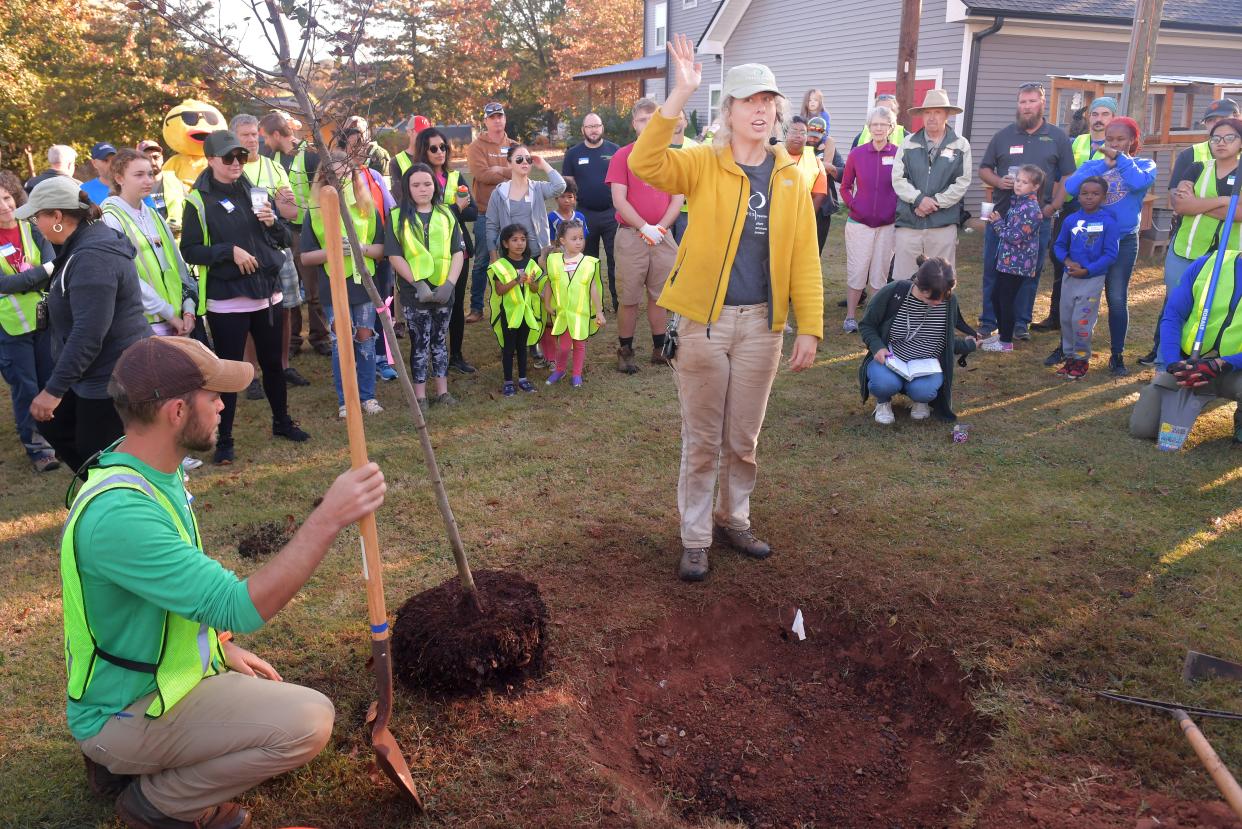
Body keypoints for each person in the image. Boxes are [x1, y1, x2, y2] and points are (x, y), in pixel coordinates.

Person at [67, 335, 386, 829]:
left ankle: (126, 761)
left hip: (143, 689)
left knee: (270, 705)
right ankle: (160, 802)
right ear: (176, 411)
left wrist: (218, 649)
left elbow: (172, 592)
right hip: (124, 710)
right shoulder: (122, 513)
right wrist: (328, 517)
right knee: (307, 722)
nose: (223, 404)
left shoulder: (143, 467)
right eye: (212, 395)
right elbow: (237, 605)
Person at [630, 36, 822, 582]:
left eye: (768, 101)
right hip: (704, 325)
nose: (760, 110)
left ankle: (734, 518)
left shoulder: (790, 174)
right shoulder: (701, 164)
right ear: (729, 111)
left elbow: (805, 256)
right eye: (748, 101)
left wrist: (808, 327)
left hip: (763, 325)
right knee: (702, 440)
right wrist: (679, 95)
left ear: (777, 110)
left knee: (744, 439)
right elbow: (646, 161)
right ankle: (695, 537)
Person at [0, 177, 149, 470]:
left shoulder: (91, 257)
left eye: (36, 217)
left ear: (57, 217)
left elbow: (88, 334)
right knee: (56, 427)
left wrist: (53, 390)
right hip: (96, 372)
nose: (35, 225)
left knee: (101, 457)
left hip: (110, 377)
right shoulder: (80, 244)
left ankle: (122, 500)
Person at [180, 131, 308, 465]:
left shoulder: (255, 191)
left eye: (240, 156)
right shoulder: (198, 201)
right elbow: (190, 249)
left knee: (274, 365)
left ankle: (282, 421)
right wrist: (228, 252)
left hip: (267, 294)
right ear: (210, 160)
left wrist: (273, 222)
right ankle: (225, 438)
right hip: (228, 299)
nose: (236, 163)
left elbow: (281, 239)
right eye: (228, 158)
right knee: (230, 371)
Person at [978, 82, 1076, 341]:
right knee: (992, 270)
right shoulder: (1003, 136)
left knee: (1028, 274)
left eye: (1032, 101)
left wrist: (1053, 205)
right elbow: (984, 169)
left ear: (1042, 104)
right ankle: (988, 321)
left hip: (1036, 220)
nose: (1027, 106)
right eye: (1022, 101)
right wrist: (999, 182)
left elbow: (1068, 174)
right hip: (1000, 217)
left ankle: (1020, 324)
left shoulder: (1057, 137)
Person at [1058, 117, 1156, 375]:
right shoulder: (1094, 164)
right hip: (1088, 240)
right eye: (1109, 139)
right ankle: (1067, 349)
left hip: (1122, 241)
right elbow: (1070, 187)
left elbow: (1137, 183)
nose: (1114, 144)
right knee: (1075, 296)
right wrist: (1103, 164)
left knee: (1116, 297)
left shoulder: (1144, 165)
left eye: (1120, 140)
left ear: (1133, 141)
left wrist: (1120, 160)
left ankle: (1117, 354)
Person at [1147, 115, 1242, 369]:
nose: (1221, 143)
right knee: (1176, 307)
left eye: (1230, 137)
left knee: (1219, 307)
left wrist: (1197, 205)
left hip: (1229, 258)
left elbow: (1240, 214)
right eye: (1216, 138)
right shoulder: (1197, 167)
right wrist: (1225, 202)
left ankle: (1209, 362)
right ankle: (1166, 364)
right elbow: (1180, 205)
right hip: (1187, 251)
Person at [299, 151, 386, 419]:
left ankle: (368, 395)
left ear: (353, 174)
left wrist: (361, 248)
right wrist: (334, 250)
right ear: (323, 178)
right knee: (341, 341)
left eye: (345, 174)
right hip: (333, 284)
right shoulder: (315, 212)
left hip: (363, 284)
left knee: (365, 338)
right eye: (332, 175)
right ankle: (345, 399)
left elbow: (381, 250)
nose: (339, 180)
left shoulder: (366, 207)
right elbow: (305, 256)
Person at [1130, 249, 1242, 445]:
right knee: (1142, 428)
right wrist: (1174, 362)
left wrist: (1220, 363)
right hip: (1190, 364)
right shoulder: (1208, 264)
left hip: (1235, 369)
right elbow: (1173, 314)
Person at [607, 99, 684, 374]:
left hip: (662, 236)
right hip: (631, 236)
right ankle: (625, 350)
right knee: (629, 297)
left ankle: (659, 348)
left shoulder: (670, 155)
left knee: (660, 295)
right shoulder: (623, 156)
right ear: (634, 124)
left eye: (653, 118)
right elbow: (619, 199)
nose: (648, 123)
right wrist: (643, 227)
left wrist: (661, 228)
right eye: (642, 119)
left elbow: (678, 197)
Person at [858, 257, 979, 425]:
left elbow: (946, 341)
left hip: (927, 365)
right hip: (891, 360)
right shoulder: (894, 292)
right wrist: (877, 347)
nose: (937, 303)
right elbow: (867, 325)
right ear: (918, 284)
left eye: (942, 297)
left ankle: (920, 401)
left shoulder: (950, 302)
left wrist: (970, 344)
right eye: (930, 298)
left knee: (924, 391)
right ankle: (883, 402)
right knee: (884, 384)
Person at [1034, 96, 1115, 339]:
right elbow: (1063, 175)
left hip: (1102, 213)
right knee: (1059, 257)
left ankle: (1086, 315)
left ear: (1113, 118)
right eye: (1095, 114)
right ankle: (1057, 315)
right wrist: (1055, 204)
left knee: (1094, 261)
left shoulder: (1117, 145)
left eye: (1105, 115)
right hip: (1072, 210)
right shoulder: (1077, 141)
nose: (1099, 119)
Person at [386, 163, 465, 409]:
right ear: (407, 188)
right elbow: (395, 254)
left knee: (440, 340)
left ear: (435, 186)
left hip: (444, 291)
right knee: (420, 342)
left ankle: (442, 392)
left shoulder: (447, 214)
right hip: (415, 293)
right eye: (416, 185)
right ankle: (419, 396)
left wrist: (450, 284)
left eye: (428, 184)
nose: (423, 189)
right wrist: (417, 283)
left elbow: (458, 252)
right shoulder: (397, 216)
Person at [101, 150, 199, 339]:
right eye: (139, 175)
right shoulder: (110, 218)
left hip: (177, 321)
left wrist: (188, 309)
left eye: (150, 174)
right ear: (119, 178)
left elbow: (178, 267)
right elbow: (129, 279)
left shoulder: (154, 215)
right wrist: (171, 315)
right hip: (144, 326)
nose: (148, 180)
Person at [0, 171, 59, 471]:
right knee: (26, 386)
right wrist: (38, 274)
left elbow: (54, 263)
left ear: (15, 197)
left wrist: (27, 278)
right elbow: (3, 285)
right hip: (10, 327)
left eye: (7, 197)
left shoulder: (32, 228)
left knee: (50, 381)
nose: (3, 206)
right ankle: (38, 449)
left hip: (43, 320)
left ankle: (56, 438)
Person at [264, 111, 332, 359]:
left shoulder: (311, 154)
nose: (264, 142)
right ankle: (292, 339)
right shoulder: (271, 157)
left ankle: (320, 337)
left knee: (314, 290)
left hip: (310, 230)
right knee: (289, 290)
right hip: (285, 231)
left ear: (275, 134)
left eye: (265, 136)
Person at [411, 126, 478, 375]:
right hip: (425, 253)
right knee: (428, 307)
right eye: (434, 148)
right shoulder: (416, 178)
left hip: (458, 253)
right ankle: (429, 357)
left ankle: (456, 356)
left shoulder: (455, 177)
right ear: (423, 150)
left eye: (444, 147)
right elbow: (420, 213)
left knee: (456, 304)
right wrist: (454, 208)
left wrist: (454, 209)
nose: (440, 152)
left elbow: (472, 212)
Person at [891, 89, 972, 280]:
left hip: (942, 225)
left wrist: (933, 203)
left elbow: (962, 182)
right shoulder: (908, 143)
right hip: (909, 223)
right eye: (927, 112)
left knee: (941, 281)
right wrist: (918, 200)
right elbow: (898, 179)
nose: (932, 117)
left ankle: (938, 312)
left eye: (937, 112)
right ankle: (907, 311)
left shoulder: (961, 145)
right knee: (905, 280)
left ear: (947, 115)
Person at [1050, 177, 1120, 379]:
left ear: (1104, 197)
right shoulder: (1071, 220)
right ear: (1078, 196)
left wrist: (1088, 270)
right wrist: (1067, 261)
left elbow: (1110, 254)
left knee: (1081, 321)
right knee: (1066, 320)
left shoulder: (1108, 222)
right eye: (1085, 193)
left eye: (1095, 194)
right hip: (1070, 278)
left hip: (1092, 279)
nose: (1089, 197)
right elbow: (1059, 245)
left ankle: (1081, 359)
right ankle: (1070, 356)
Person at [841, 106, 899, 332]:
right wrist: (855, 205)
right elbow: (845, 187)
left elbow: (903, 187)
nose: (878, 129)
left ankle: (873, 318)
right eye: (874, 124)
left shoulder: (898, 154)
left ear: (890, 128)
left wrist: (894, 209)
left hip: (888, 225)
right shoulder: (857, 154)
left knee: (880, 273)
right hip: (859, 224)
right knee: (858, 269)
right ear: (869, 127)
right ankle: (850, 317)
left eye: (883, 124)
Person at [982, 165, 1046, 353]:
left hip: (1018, 264)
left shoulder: (1031, 209)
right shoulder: (1018, 202)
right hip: (1008, 260)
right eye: (1018, 180)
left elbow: (1015, 237)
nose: (1019, 185)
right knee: (997, 296)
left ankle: (1006, 341)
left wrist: (997, 222)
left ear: (1035, 187)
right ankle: (1003, 334)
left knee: (1005, 299)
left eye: (1024, 182)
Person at [562, 112, 620, 310]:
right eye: (589, 126)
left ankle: (618, 302)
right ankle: (589, 304)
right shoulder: (573, 154)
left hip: (612, 214)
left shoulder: (615, 151)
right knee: (587, 262)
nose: (593, 130)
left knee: (615, 261)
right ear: (583, 130)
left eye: (597, 125)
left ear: (602, 127)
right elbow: (567, 187)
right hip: (585, 216)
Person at [466, 102, 516, 322]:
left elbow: (522, 171)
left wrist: (502, 169)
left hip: (512, 212)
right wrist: (509, 172)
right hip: (485, 212)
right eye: (492, 117)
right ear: (485, 121)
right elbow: (482, 174)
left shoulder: (514, 145)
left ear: (505, 119)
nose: (497, 120)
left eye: (500, 116)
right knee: (482, 261)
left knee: (512, 258)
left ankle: (510, 301)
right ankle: (476, 308)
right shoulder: (476, 147)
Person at [543, 219, 604, 387]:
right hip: (562, 313)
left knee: (579, 344)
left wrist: (598, 311)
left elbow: (593, 288)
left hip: (581, 313)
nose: (579, 242)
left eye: (581, 238)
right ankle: (560, 370)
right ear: (562, 241)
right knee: (563, 347)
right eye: (574, 238)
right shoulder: (554, 261)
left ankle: (577, 374)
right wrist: (547, 304)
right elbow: (550, 283)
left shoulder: (588, 263)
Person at [487, 224, 543, 395]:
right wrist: (515, 281)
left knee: (523, 346)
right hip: (509, 314)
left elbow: (534, 290)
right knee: (509, 347)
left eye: (523, 240)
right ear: (505, 244)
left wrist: (531, 282)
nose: (520, 244)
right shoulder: (501, 265)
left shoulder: (531, 263)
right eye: (515, 240)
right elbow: (499, 290)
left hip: (525, 313)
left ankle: (523, 379)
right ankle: (508, 381)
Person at [485, 144, 566, 263]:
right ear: (509, 163)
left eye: (528, 159)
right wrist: (493, 257)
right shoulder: (498, 193)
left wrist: (543, 164)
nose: (524, 162)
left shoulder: (538, 188)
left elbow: (560, 186)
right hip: (510, 257)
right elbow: (491, 226)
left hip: (539, 255)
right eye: (519, 159)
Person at [806, 116, 844, 255]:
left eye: (816, 137)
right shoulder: (799, 146)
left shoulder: (829, 148)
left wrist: (831, 168)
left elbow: (843, 174)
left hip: (822, 207)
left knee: (816, 248)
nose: (812, 139)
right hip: (800, 203)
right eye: (810, 135)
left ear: (823, 135)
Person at [137, 140, 188, 235]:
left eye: (156, 157)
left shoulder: (176, 182)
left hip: (177, 244)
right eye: (147, 158)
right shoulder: (133, 187)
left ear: (162, 159)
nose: (152, 162)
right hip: (151, 243)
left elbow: (190, 211)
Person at [340, 115, 392, 181]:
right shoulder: (344, 153)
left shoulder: (377, 153)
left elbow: (381, 185)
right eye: (347, 132)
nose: (352, 135)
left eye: (356, 132)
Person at [390, 114, 433, 180]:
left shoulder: (433, 157)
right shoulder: (397, 161)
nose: (424, 137)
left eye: (427, 134)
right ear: (409, 132)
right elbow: (396, 189)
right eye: (420, 133)